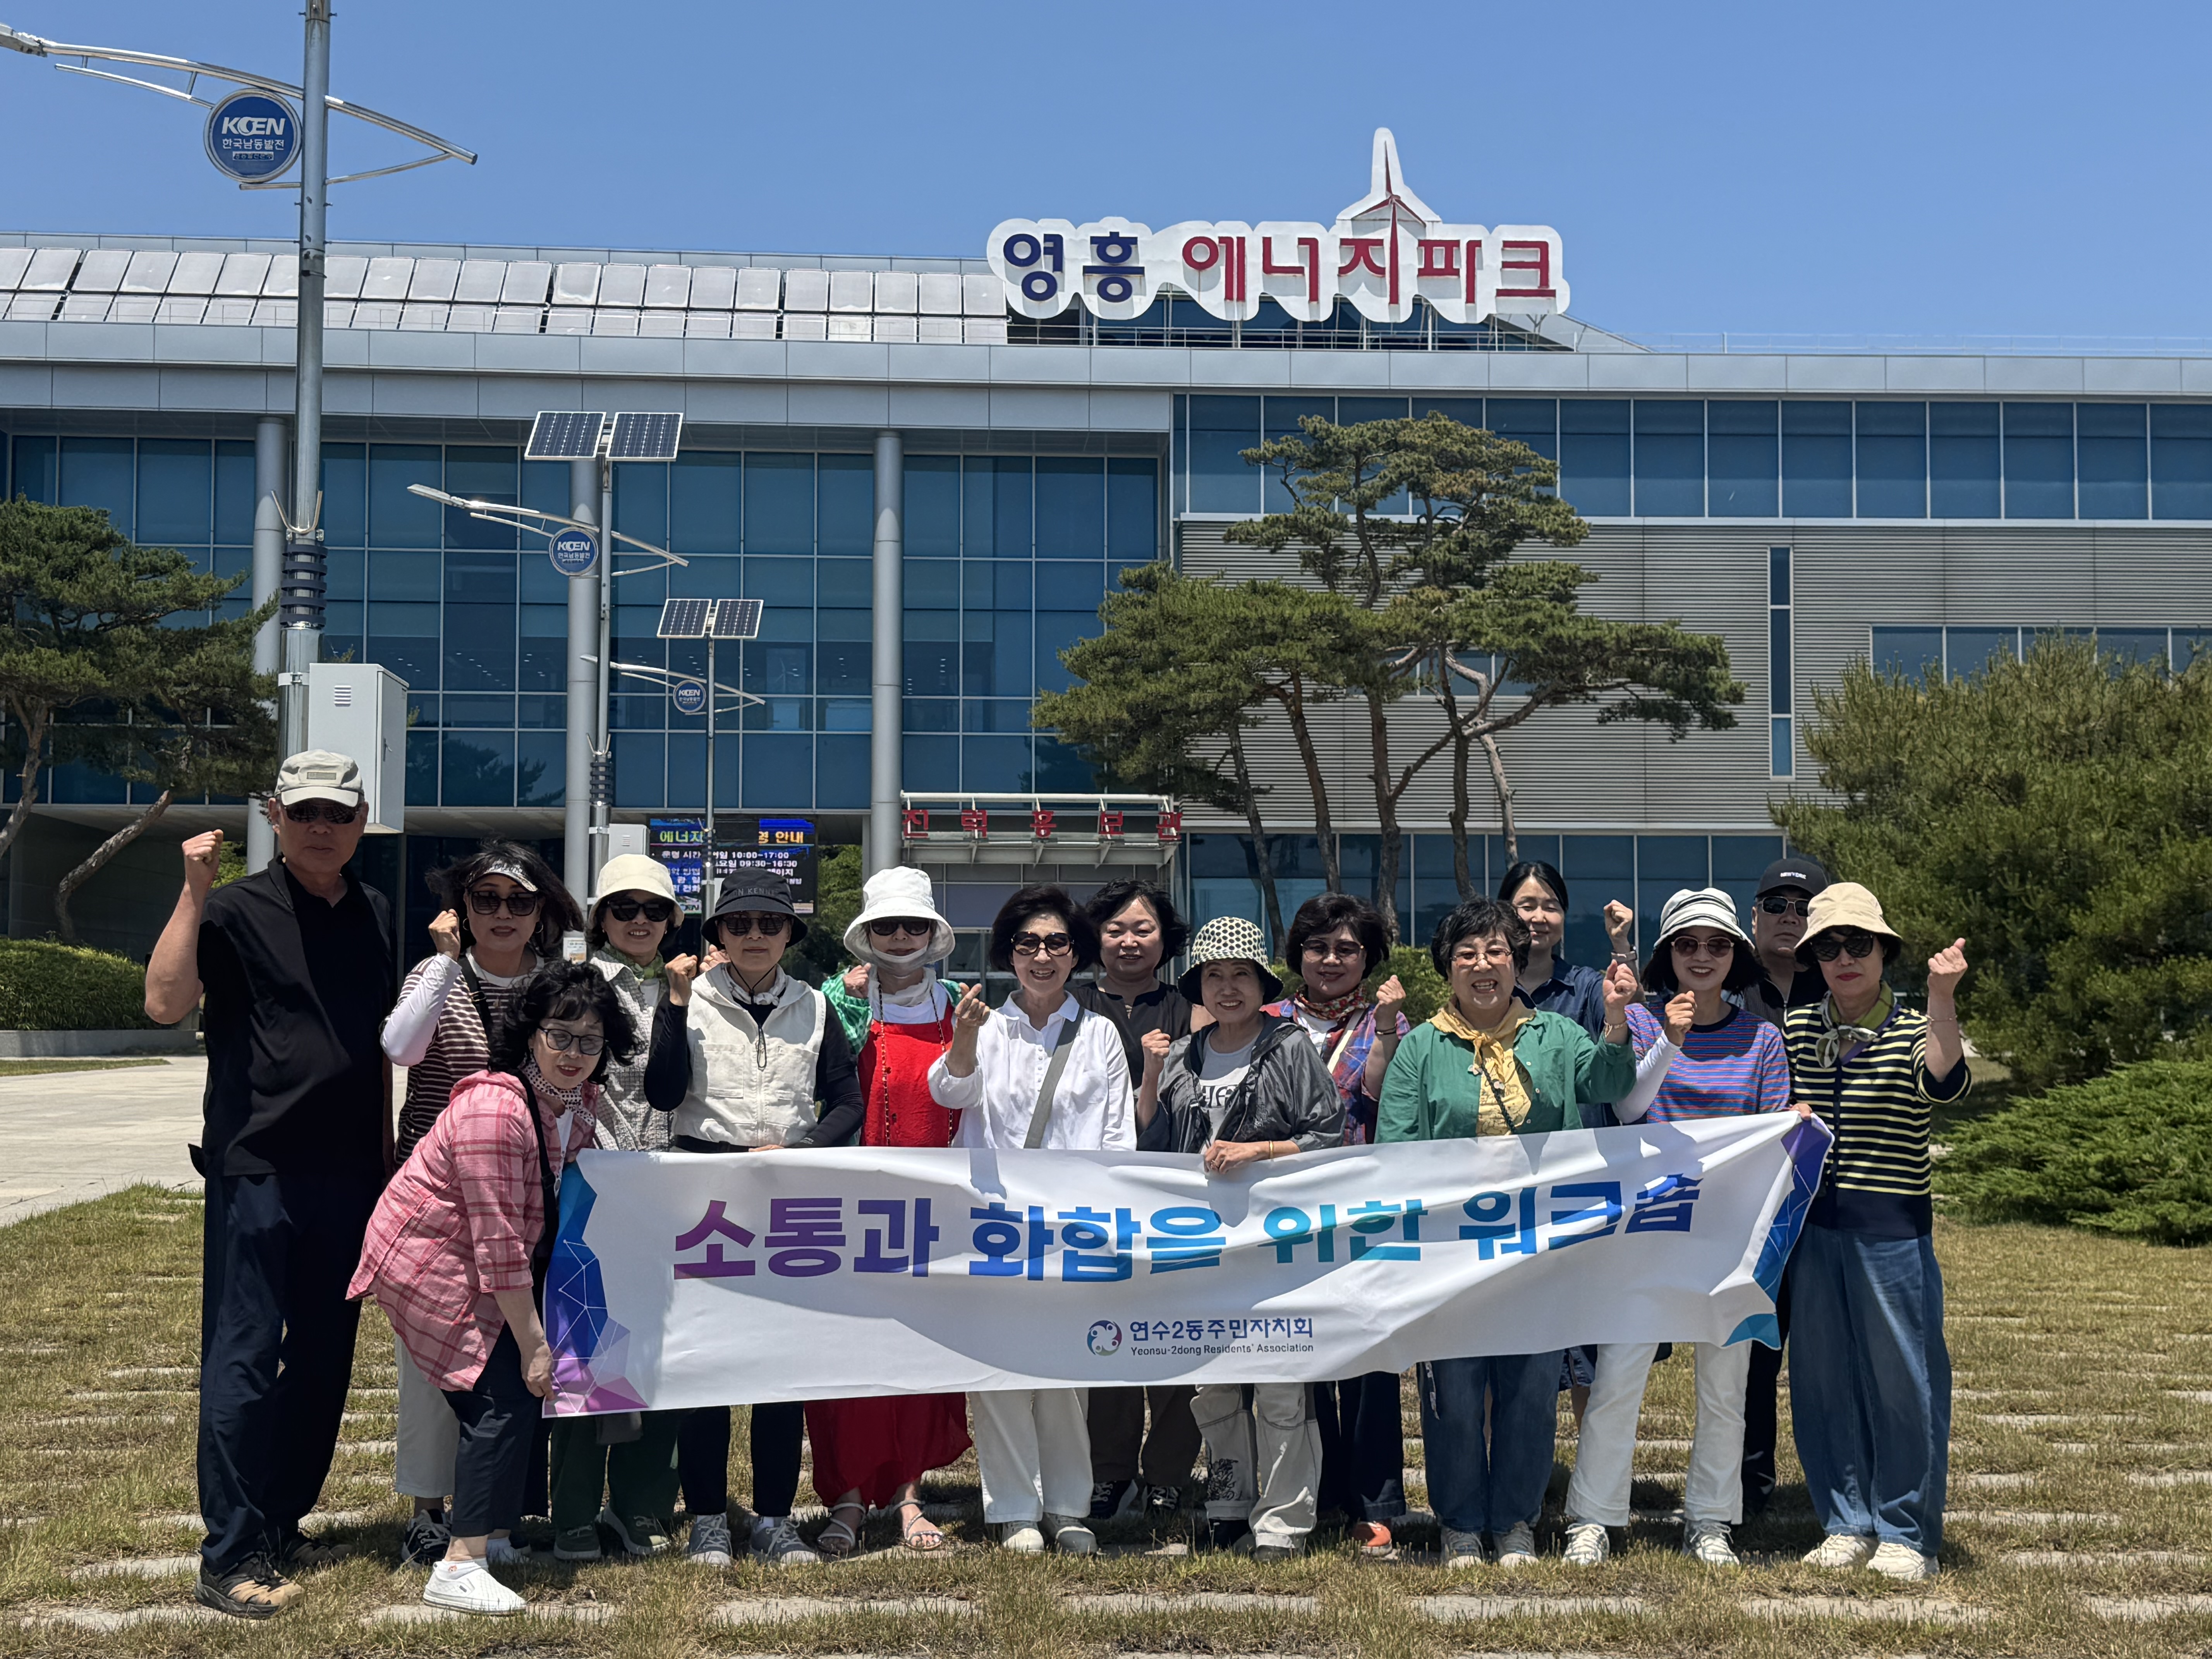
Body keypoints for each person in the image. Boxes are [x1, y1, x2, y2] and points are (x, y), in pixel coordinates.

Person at [145, 751, 398, 1621]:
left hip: (351, 1173)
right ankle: (228, 1551)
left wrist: (389, 1158)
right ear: (275, 816)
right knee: (245, 1356)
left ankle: (279, 1522)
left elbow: (381, 1042)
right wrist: (193, 891)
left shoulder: (375, 911)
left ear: (361, 820)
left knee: (325, 1359)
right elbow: (164, 1003)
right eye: (306, 812)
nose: (322, 827)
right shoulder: (231, 908)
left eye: (339, 813)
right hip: (257, 1163)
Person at [350, 962, 635, 1616]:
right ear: (530, 1033)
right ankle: (460, 1562)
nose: (574, 1053)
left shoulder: (575, 1103)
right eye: (559, 1035)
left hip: (485, 1259)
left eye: (591, 1041)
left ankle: (494, 1539)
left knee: (513, 1395)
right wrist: (535, 1341)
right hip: (430, 1260)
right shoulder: (497, 1108)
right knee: (500, 1398)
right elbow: (499, 1239)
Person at [1376, 898, 1638, 1569]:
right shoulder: (1420, 1047)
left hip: (1539, 1247)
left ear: (1517, 962)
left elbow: (1609, 1082)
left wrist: (1615, 1020)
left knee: (1530, 1388)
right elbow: (1394, 1148)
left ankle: (1516, 1520)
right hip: (1451, 1253)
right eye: (1466, 953)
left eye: (1495, 950)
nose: (1482, 964)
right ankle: (1461, 1523)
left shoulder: (1556, 1033)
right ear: (1448, 968)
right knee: (1455, 1392)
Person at [1561, 889, 1794, 1570]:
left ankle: (1711, 1519)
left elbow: (1772, 1135)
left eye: (1717, 945)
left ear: (1735, 956)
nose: (1702, 956)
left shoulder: (1764, 1039)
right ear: (1667, 955)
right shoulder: (1640, 1020)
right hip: (1647, 1229)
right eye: (1687, 944)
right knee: (1618, 1376)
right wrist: (1670, 1038)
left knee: (1726, 1385)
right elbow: (1628, 1107)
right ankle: (1593, 1517)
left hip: (1728, 1236)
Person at [645, 870, 864, 1568]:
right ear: (717, 932)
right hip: (706, 1193)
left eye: (770, 923)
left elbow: (846, 1100)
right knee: (707, 1365)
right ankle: (708, 1519)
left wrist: (806, 1149)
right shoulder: (689, 998)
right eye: (738, 924)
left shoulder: (815, 1006)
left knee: (779, 1366)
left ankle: (774, 1518)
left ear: (790, 932)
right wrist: (675, 1004)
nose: (755, 936)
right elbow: (662, 1092)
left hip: (786, 1196)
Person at [380, 841, 580, 1568]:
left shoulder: (553, 983)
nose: (503, 913)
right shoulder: (437, 975)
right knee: (434, 1364)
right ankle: (427, 1511)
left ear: (541, 910)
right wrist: (441, 965)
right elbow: (401, 1048)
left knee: (510, 1360)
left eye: (519, 901)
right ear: (462, 906)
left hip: (524, 1198)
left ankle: (497, 1512)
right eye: (486, 898)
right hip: (438, 1202)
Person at [929, 884, 1134, 1554]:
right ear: (1009, 954)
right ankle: (1015, 1507)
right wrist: (964, 1036)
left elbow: (1117, 1136)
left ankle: (1068, 1506)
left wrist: (1106, 1217)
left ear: (1075, 953)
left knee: (1065, 1368)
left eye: (1056, 943)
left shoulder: (1099, 1032)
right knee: (999, 1369)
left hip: (1073, 1222)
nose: (1042, 956)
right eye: (1027, 944)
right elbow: (949, 1091)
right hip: (993, 1222)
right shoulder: (986, 1025)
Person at [1135, 917, 1341, 1558]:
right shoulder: (1183, 1053)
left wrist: (1258, 1151)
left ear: (1262, 984)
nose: (1228, 988)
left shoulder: (1290, 1046)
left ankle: (1283, 1519)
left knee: (1280, 1380)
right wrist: (1150, 1073)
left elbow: (1328, 1135)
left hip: (1276, 1245)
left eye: (1241, 975)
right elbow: (1150, 1141)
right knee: (1214, 1383)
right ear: (1199, 986)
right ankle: (1228, 1504)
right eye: (1214, 976)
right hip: (1201, 1248)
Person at [1785, 883, 1969, 1582]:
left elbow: (1943, 1081)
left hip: (1892, 1232)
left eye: (1858, 943)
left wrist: (1943, 998)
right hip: (1814, 1232)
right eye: (1828, 947)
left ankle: (1906, 1531)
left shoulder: (1916, 1025)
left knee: (1903, 1383)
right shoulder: (1796, 1029)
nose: (1844, 958)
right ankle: (1845, 1521)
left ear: (1883, 951)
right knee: (1821, 1382)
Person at [803, 867, 973, 1556]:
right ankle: (845, 1494)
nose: (900, 936)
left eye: (913, 925)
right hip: (847, 1202)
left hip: (934, 1204)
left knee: (919, 1347)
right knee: (844, 1348)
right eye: (886, 925)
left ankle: (908, 1494)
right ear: (866, 934)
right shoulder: (831, 1002)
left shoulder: (962, 1004)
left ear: (933, 934)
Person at [544, 854, 686, 1563]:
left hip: (666, 1185)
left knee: (660, 1343)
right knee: (585, 1340)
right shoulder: (575, 985)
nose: (639, 920)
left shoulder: (690, 988)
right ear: (600, 917)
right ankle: (572, 1508)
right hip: (590, 1179)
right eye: (624, 908)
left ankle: (642, 1502)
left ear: (672, 921)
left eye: (654, 909)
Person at [1262, 893, 1409, 1555]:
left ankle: (1373, 1502)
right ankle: (1312, 1494)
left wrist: (1386, 1030)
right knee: (1295, 1353)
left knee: (1369, 1357)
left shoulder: (1392, 1024)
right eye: (1318, 947)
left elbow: (1380, 1099)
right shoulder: (1265, 1021)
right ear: (1297, 954)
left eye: (1347, 948)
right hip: (1277, 1214)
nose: (1330, 959)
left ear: (1368, 959)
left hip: (1360, 1212)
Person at [1072, 878, 1205, 1525]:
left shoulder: (1191, 1009)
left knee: (1176, 1334)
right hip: (1093, 1200)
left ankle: (1169, 1474)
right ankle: (1109, 1471)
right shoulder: (1072, 1004)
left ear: (1165, 939)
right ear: (1095, 938)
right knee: (1106, 1334)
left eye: (1143, 929)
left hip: (1174, 1196)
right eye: (1116, 929)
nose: (1129, 941)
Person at [1738, 851, 1830, 1518]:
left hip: (1830, 1203)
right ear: (1755, 916)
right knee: (1753, 1353)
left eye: (1804, 908)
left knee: (1828, 1355)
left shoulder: (1842, 986)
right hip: (1751, 1204)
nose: (1789, 917)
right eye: (1777, 905)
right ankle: (1746, 1489)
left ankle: (1839, 1491)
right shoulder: (1729, 985)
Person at [1499, 860, 1636, 1038]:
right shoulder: (1490, 984)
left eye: (1551, 908)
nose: (1539, 918)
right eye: (1527, 907)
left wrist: (1620, 942)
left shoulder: (1586, 988)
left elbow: (1636, 1023)